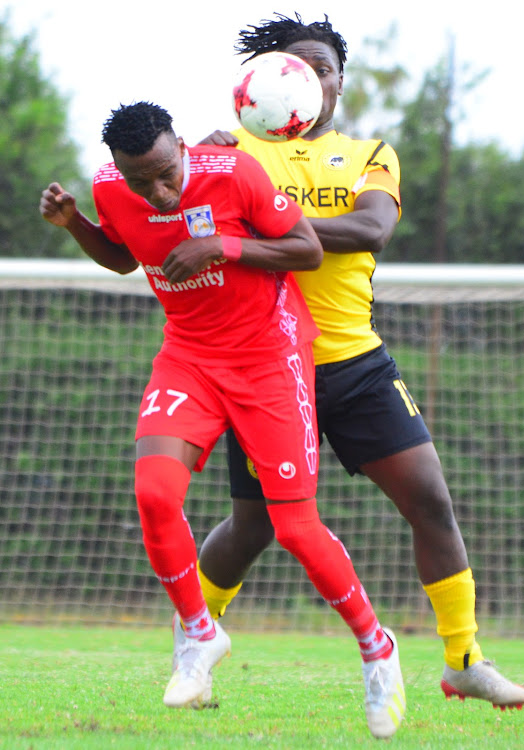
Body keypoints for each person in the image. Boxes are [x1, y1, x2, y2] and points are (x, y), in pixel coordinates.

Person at [197, 13, 524, 711]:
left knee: (431, 502)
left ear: (339, 83)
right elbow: (199, 229)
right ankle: (194, 639)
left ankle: (463, 659)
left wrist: (269, 222)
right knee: (254, 525)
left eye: (321, 67)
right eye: (294, 66)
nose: (310, 78)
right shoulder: (230, 154)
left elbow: (371, 228)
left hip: (355, 363)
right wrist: (203, 171)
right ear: (265, 80)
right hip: (264, 369)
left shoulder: (368, 153)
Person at [39, 101, 405, 738]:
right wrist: (75, 223)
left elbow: (307, 249)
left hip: (269, 355)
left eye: (166, 173)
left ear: (180, 145)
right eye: (140, 180)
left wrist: (221, 244)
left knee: (293, 528)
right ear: (118, 171)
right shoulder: (108, 186)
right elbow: (124, 257)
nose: (158, 190)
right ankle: (199, 635)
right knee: (154, 493)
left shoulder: (234, 173)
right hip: (188, 355)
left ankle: (377, 649)